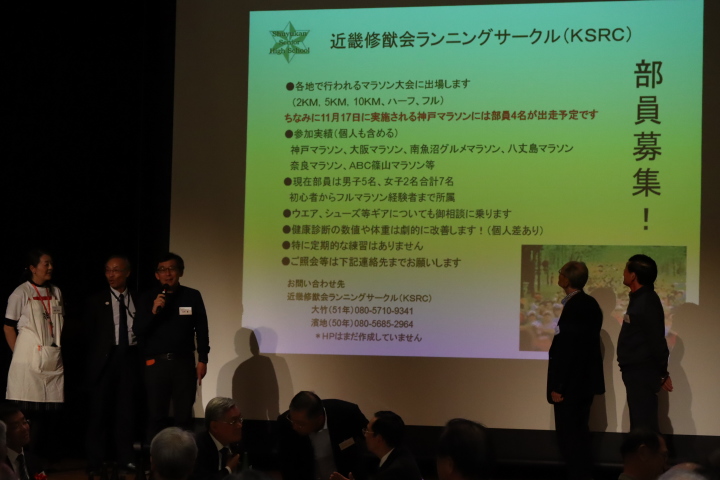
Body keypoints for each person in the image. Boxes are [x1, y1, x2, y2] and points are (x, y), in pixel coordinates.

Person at [133, 252, 210, 438]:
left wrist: (203, 359)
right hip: (156, 364)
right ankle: (156, 455)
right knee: (156, 415)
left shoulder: (192, 295)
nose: (167, 274)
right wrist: (153, 311)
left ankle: (184, 455)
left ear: (180, 272)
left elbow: (202, 329)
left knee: (184, 416)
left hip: (183, 363)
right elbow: (138, 330)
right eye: (162, 270)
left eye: (172, 269)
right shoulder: (148, 297)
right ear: (156, 275)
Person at [3, 250, 64, 460]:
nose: (50, 267)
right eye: (46, 264)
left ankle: (39, 461)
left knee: (47, 417)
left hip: (51, 357)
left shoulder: (56, 292)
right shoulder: (21, 292)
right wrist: (19, 355)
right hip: (28, 361)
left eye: (51, 263)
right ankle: (24, 462)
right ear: (32, 268)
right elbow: (8, 327)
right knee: (28, 416)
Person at [547, 261, 604, 480]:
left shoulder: (577, 306)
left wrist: (559, 386)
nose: (558, 275)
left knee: (571, 441)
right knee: (578, 438)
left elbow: (570, 351)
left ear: (567, 279)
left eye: (560, 272)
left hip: (571, 387)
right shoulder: (589, 304)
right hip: (581, 385)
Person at [84, 255, 142, 473]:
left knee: (126, 412)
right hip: (104, 361)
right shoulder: (96, 300)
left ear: (127, 273)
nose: (111, 275)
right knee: (98, 413)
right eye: (108, 270)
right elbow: (88, 336)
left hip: (129, 358)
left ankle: (126, 458)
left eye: (116, 270)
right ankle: (95, 461)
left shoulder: (139, 298)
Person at [618, 254, 673, 432]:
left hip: (641, 372)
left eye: (626, 269)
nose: (623, 272)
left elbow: (656, 339)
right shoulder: (639, 298)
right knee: (640, 423)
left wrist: (663, 373)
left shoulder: (647, 301)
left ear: (633, 275)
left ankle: (649, 451)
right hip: (635, 372)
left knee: (644, 426)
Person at [276, 391, 369, 480]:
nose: (294, 427)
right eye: (292, 420)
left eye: (301, 424)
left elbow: (372, 442)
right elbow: (287, 465)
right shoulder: (285, 424)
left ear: (319, 419)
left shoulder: (347, 414)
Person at [330, 411, 422, 480]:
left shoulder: (394, 472)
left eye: (367, 431)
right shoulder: (401, 454)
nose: (365, 435)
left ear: (379, 439)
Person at [191, 397, 244, 480]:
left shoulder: (236, 444)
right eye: (233, 421)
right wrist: (228, 469)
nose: (240, 425)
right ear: (214, 426)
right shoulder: (197, 448)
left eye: (240, 419)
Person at [0, 404, 43, 480]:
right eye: (16, 426)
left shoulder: (33, 460)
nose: (24, 428)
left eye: (24, 422)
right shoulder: (2, 465)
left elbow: (42, 479)